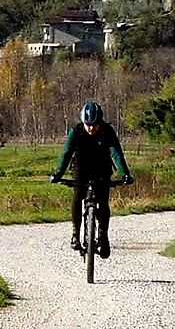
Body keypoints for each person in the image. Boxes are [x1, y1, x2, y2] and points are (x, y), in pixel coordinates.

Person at [49, 100, 133, 257]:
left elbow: (115, 152)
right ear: (83, 122)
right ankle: (75, 233)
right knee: (78, 196)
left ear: (100, 121)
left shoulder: (107, 131)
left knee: (103, 201)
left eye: (94, 124)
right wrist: (58, 174)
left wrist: (125, 174)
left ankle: (103, 235)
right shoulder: (76, 131)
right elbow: (66, 153)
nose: (91, 128)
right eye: (88, 124)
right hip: (81, 167)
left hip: (102, 167)